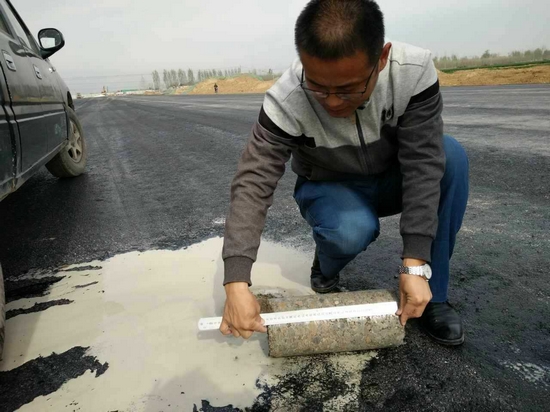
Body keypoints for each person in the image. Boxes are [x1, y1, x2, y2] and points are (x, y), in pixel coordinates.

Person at [220, 0, 469, 346]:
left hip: (391, 179)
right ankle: (325, 265)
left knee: (450, 156)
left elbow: (424, 163)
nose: (333, 102)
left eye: (349, 88)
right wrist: (236, 284)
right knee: (350, 230)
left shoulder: (412, 72)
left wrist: (414, 265)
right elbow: (252, 184)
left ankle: (433, 294)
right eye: (318, 87)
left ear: (381, 58)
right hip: (329, 187)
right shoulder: (286, 99)